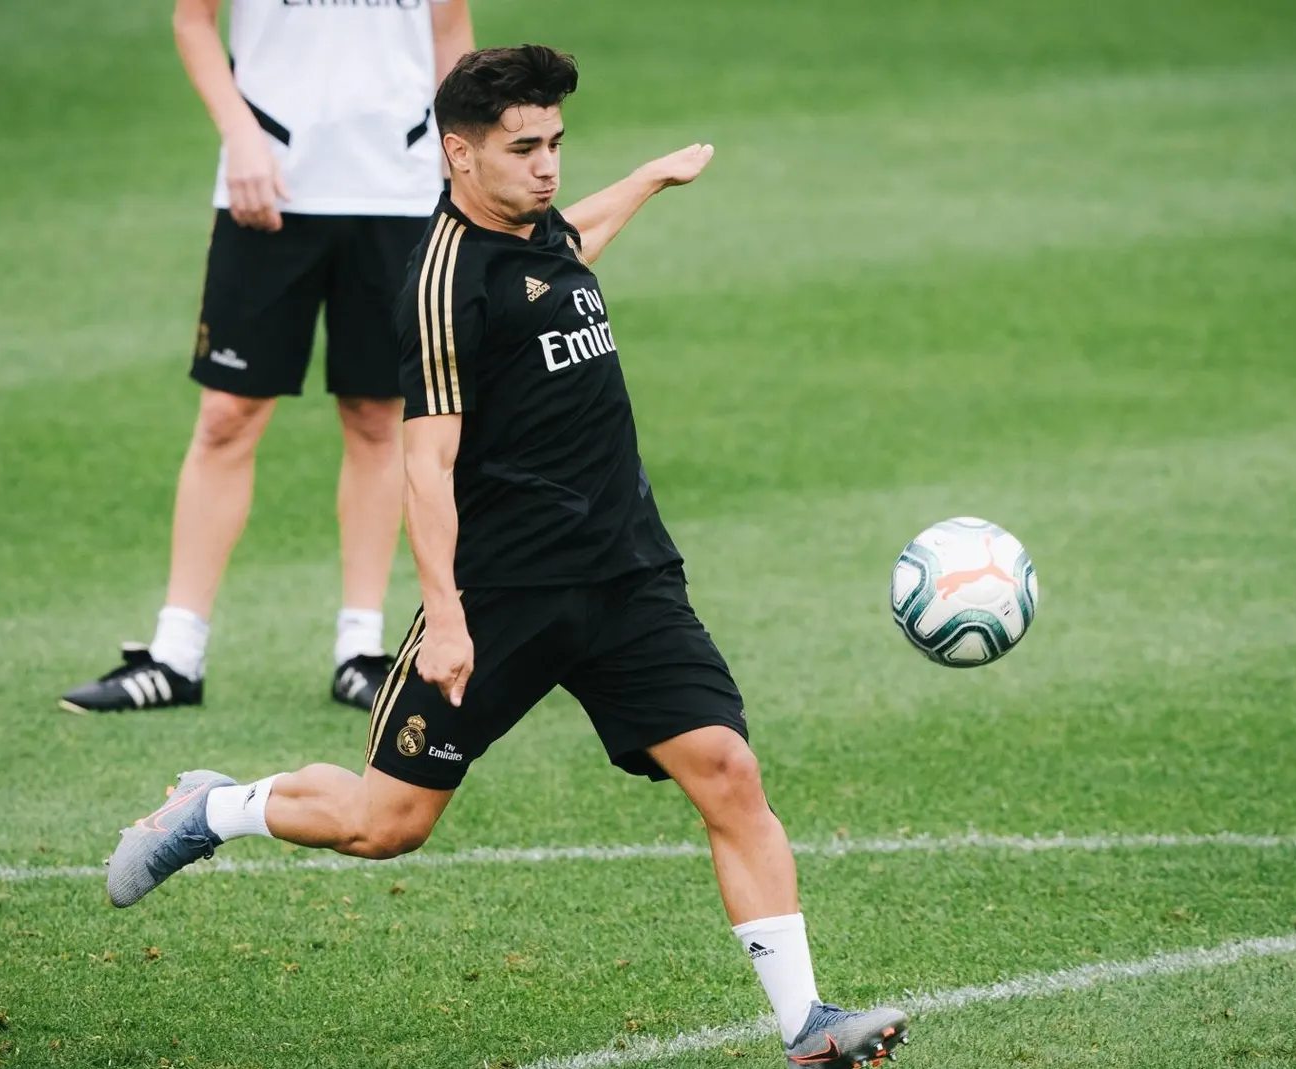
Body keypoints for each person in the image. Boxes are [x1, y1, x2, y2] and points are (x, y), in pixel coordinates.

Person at [102, 45, 912, 1069]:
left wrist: (653, 179)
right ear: (458, 153)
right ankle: (212, 807)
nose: (547, 167)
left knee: (727, 771)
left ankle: (806, 1026)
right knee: (383, 822)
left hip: (626, 577)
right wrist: (444, 616)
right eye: (523, 148)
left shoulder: (541, 237)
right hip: (501, 600)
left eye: (557, 144)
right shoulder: (443, 283)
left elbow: (579, 238)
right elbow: (425, 466)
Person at [59, 0, 475, 714]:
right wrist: (240, 135)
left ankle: (361, 649)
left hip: (400, 190)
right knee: (226, 415)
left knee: (378, 416)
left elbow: (449, 30)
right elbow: (193, 21)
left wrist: (456, 160)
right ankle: (176, 654)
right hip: (267, 184)